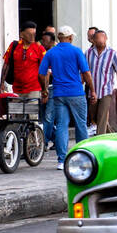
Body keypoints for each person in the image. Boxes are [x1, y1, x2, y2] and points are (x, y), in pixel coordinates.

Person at [39, 26, 95, 169]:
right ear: (70, 38)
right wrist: (93, 90)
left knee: (62, 126)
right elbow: (86, 73)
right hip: (76, 92)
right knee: (80, 125)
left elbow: (41, 74)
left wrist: (44, 90)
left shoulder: (51, 52)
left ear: (59, 38)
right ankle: (83, 157)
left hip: (58, 94)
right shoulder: (76, 51)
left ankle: (61, 160)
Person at [86, 28, 117, 134]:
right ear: (93, 40)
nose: (101, 40)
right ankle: (112, 137)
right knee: (95, 118)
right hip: (92, 91)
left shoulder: (112, 53)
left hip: (106, 91)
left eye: (103, 37)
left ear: (106, 38)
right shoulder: (88, 53)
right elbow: (84, 71)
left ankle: (99, 141)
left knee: (102, 117)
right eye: (98, 38)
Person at [2, 22, 46, 102]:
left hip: (34, 90)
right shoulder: (14, 46)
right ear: (21, 34)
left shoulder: (39, 48)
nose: (32, 36)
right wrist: (1, 83)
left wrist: (44, 90)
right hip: (17, 89)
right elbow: (6, 65)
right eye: (29, 34)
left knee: (33, 114)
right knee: (16, 113)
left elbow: (45, 70)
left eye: (34, 34)